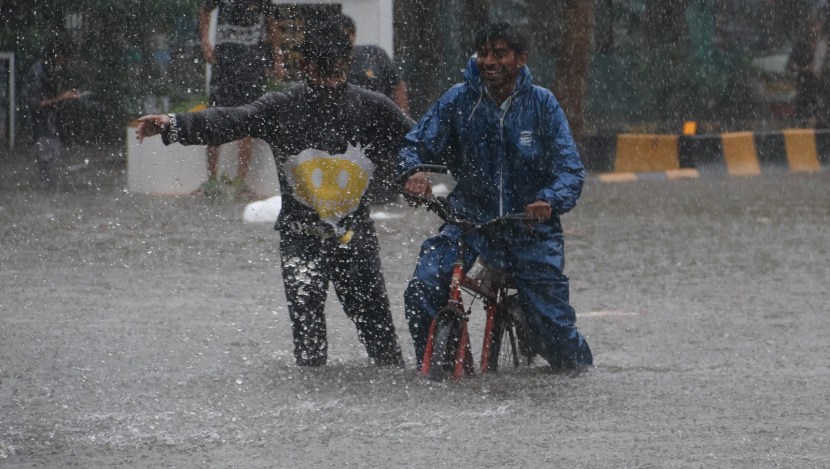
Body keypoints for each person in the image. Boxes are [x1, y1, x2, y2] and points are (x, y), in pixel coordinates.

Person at [136, 21, 412, 367]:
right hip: (300, 239)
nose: (331, 84)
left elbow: (419, 143)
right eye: (322, 74)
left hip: (355, 239)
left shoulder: (374, 108)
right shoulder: (282, 107)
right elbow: (231, 120)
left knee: (383, 345)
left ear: (348, 67)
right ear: (306, 67)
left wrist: (415, 175)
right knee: (309, 351)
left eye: (339, 74)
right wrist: (174, 125)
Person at [399, 22, 593, 372]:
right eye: (483, 53)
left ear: (521, 59)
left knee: (553, 327)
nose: (489, 61)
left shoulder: (542, 104)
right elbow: (415, 143)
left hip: (529, 229)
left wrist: (548, 200)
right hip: (469, 222)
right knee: (423, 288)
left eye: (499, 54)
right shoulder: (459, 99)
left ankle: (581, 372)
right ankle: (434, 369)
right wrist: (413, 173)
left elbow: (571, 171)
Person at [198, 0, 284, 198]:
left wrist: (278, 59)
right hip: (224, 63)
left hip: (251, 66)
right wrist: (205, 41)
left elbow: (272, 24)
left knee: (247, 121)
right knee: (214, 118)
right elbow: (205, 9)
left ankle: (240, 181)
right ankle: (211, 180)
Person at [24, 37, 80, 188]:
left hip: (50, 128)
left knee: (53, 174)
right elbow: (36, 103)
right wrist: (62, 97)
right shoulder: (38, 72)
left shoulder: (48, 70)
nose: (65, 62)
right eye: (64, 57)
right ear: (56, 55)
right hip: (42, 129)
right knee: (49, 176)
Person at [330, 13, 409, 115]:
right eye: (337, 37)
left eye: (344, 36)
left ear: (353, 35)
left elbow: (398, 86)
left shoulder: (374, 54)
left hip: (379, 117)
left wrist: (403, 116)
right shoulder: (329, 62)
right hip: (348, 119)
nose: (341, 41)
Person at [786, 12, 828, 124]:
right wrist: (801, 68)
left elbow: (823, 67)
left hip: (822, 91)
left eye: (815, 25)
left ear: (820, 26)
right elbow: (790, 65)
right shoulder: (801, 44)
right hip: (804, 89)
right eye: (810, 26)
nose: (813, 29)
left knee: (821, 122)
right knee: (804, 121)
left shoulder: (825, 45)